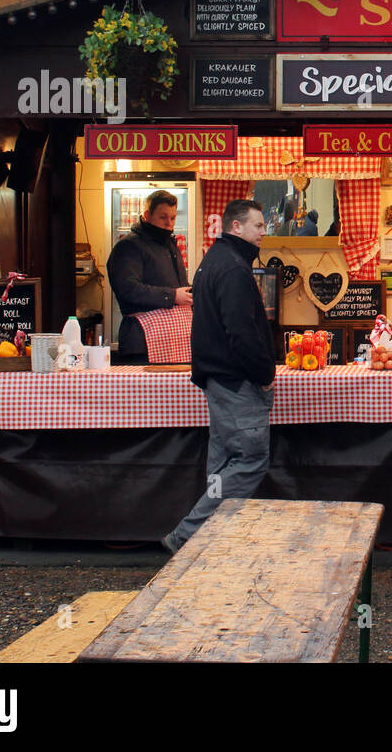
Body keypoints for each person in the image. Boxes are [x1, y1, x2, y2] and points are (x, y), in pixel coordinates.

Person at [162, 199, 274, 553]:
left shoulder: (214, 261)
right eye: (258, 226)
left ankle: (213, 543)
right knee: (250, 460)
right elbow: (240, 332)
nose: (263, 233)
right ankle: (188, 536)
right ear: (236, 227)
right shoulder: (234, 269)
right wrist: (263, 374)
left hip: (218, 381)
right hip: (237, 382)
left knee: (223, 463)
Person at [107, 190, 191, 361]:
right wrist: (173, 295)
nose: (169, 223)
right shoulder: (128, 246)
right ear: (147, 215)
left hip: (175, 338)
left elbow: (178, 286)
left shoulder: (171, 245)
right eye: (163, 217)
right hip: (142, 340)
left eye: (173, 218)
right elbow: (128, 289)